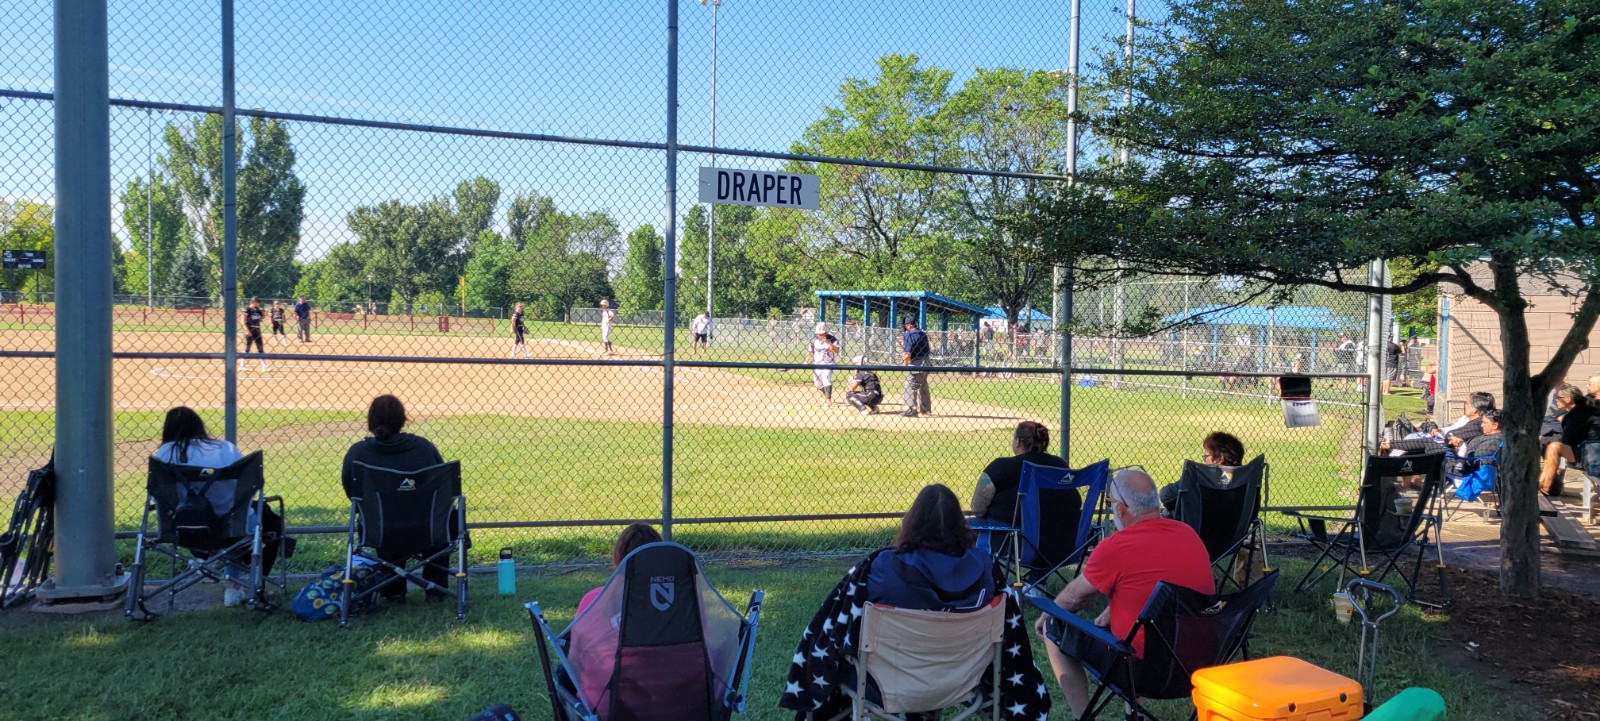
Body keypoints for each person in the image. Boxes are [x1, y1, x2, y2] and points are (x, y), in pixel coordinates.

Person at [1033, 467, 1215, 720]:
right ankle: (1133, 715)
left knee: (1054, 625)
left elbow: (1075, 597)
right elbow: (1158, 588)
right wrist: (1113, 609)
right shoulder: (1187, 534)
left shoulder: (1116, 547)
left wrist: (1046, 614)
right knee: (1137, 632)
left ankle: (1082, 717)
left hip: (1144, 672)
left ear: (1120, 509)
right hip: (1202, 663)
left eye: (1110, 503)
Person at [153, 406, 283, 607]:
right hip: (233, 527)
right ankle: (244, 585)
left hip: (181, 529)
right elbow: (245, 490)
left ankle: (212, 566)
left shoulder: (164, 453)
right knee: (256, 521)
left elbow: (157, 496)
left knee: (224, 526)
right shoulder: (225, 448)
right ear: (200, 426)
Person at [341, 395, 448, 603]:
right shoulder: (424, 448)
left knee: (384, 516)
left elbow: (352, 493)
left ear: (371, 421)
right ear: (402, 419)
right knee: (442, 519)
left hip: (380, 530)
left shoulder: (358, 453)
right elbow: (443, 489)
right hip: (427, 528)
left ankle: (394, 592)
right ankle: (435, 589)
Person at [568, 522, 664, 709]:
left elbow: (575, 661)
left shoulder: (593, 600)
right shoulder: (686, 602)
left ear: (618, 559)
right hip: (676, 706)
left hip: (603, 709)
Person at [971, 421, 1071, 525]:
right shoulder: (1060, 465)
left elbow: (978, 509)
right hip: (1061, 531)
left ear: (1017, 442)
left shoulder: (1001, 467)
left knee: (962, 526)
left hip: (1011, 532)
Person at [1159, 431, 1245, 513]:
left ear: (1219, 459)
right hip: (1235, 523)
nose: (1204, 460)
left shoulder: (1199, 476)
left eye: (1206, 456)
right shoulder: (1246, 480)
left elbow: (1166, 496)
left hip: (1194, 523)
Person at [1538, 386, 1596, 496]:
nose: (1555, 400)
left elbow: (1565, 439)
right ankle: (1542, 485)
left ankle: (1546, 487)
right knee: (1550, 447)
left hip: (1585, 453)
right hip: (1580, 449)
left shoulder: (1578, 415)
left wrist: (1543, 439)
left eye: (1558, 397)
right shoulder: (1573, 413)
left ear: (1568, 399)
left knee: (1554, 447)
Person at [900, 317, 932, 417]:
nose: (905, 327)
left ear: (909, 325)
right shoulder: (922, 333)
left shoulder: (909, 334)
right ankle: (926, 410)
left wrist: (905, 364)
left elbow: (907, 354)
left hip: (916, 363)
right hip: (926, 362)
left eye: (906, 325)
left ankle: (912, 409)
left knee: (910, 385)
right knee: (923, 386)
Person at [804, 322, 840, 403]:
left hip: (829, 363)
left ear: (826, 332)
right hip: (817, 364)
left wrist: (828, 342)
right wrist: (806, 361)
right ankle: (825, 395)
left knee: (826, 380)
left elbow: (837, 350)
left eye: (821, 334)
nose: (819, 335)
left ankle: (828, 400)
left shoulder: (832, 339)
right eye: (818, 334)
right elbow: (811, 352)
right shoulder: (814, 340)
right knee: (817, 384)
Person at [239, 297, 268, 371]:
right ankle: (242, 365)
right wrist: (247, 330)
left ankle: (264, 366)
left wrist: (263, 313)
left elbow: (262, 318)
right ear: (253, 302)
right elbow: (242, 321)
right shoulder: (247, 309)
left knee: (260, 348)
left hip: (257, 330)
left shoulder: (258, 310)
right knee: (247, 347)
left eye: (258, 302)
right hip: (249, 329)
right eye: (257, 302)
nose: (258, 303)